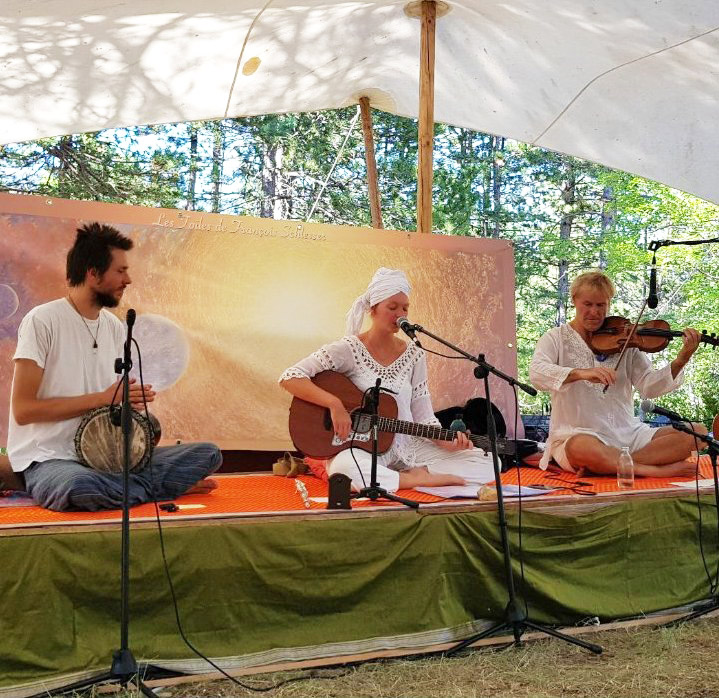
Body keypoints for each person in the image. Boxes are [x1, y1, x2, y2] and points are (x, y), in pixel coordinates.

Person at [7, 222, 222, 511]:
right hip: (50, 460)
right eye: (120, 271)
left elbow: (105, 410)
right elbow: (24, 411)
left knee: (209, 454)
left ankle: (132, 489)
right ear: (93, 273)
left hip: (107, 460)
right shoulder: (42, 320)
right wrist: (102, 398)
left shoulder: (113, 327)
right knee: (79, 488)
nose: (128, 280)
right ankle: (159, 488)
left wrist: (126, 406)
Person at [279, 267, 495, 492]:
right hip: (364, 449)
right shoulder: (349, 349)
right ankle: (414, 480)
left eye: (405, 308)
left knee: (489, 461)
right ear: (373, 310)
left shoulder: (415, 354)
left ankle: (409, 475)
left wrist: (445, 442)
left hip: (408, 446)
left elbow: (423, 414)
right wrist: (334, 405)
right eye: (392, 307)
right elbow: (290, 377)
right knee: (343, 469)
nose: (400, 314)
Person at [529, 270, 705, 478]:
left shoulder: (626, 339)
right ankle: (649, 469)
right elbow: (537, 373)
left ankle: (609, 464)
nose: (594, 312)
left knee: (697, 432)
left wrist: (681, 359)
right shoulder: (555, 338)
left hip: (629, 434)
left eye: (601, 305)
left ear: (608, 304)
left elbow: (649, 386)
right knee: (581, 447)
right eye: (588, 304)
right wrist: (582, 373)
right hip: (580, 434)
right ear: (574, 301)